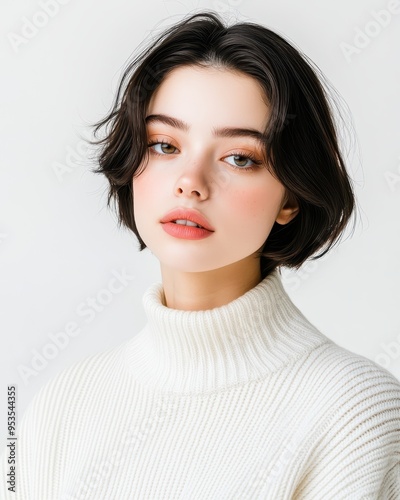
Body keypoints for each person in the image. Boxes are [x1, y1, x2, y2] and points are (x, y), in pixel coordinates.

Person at [1, 10, 400, 499]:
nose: (190, 181)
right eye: (165, 145)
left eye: (239, 157)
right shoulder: (61, 406)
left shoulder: (355, 412)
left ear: (291, 198)